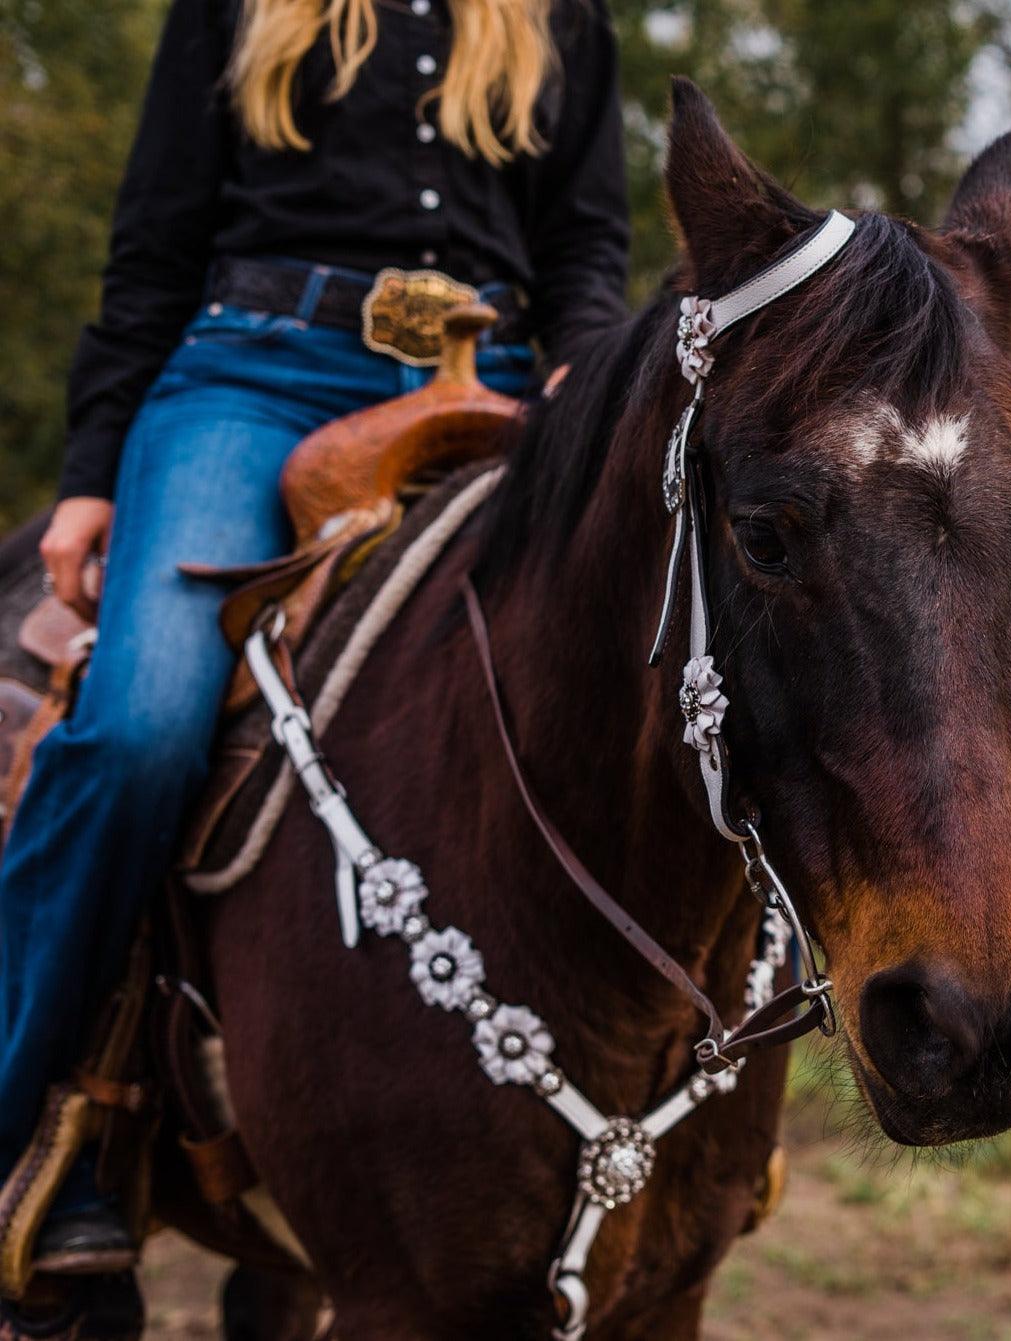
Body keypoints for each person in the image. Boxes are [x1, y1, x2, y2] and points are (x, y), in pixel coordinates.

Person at [0, 0, 628, 1274]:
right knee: (140, 728)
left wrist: (585, 376)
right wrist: (89, 471)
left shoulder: (562, 13)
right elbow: (156, 244)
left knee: (617, 693)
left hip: (486, 379)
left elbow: (586, 248)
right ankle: (38, 1123)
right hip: (255, 375)